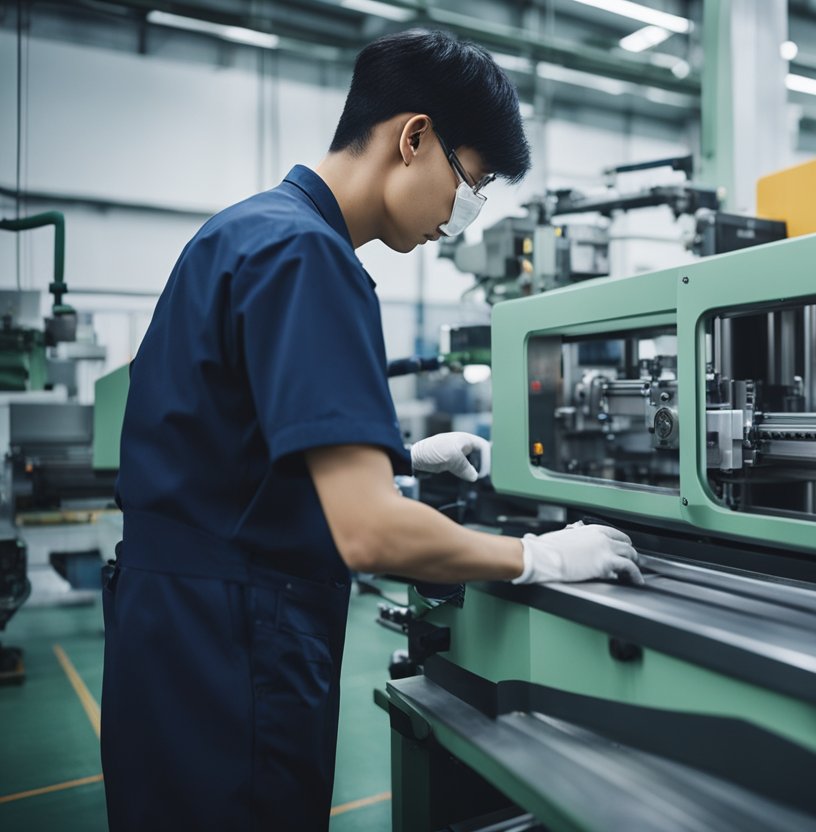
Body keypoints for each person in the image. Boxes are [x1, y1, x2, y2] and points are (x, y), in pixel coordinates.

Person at [100, 28, 641, 832]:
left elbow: (224, 445)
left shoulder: (239, 233)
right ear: (414, 137)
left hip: (164, 642)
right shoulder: (310, 258)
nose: (463, 216)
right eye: (472, 182)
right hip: (236, 656)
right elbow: (369, 534)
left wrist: (400, 459)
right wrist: (545, 556)